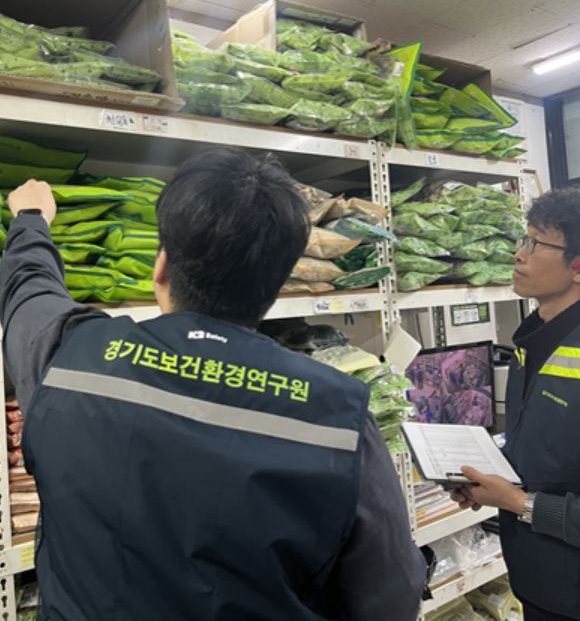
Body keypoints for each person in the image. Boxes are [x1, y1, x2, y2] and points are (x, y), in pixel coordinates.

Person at [0, 147, 426, 621]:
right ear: (278, 283)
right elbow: (392, 597)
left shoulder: (72, 360)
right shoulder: (338, 416)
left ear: (161, 268)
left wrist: (32, 220)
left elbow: (28, 296)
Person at [451, 186, 580, 621]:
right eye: (525, 239)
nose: (519, 255)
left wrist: (519, 503)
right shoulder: (533, 343)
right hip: (538, 581)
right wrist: (488, 483)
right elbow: (546, 452)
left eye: (537, 244)